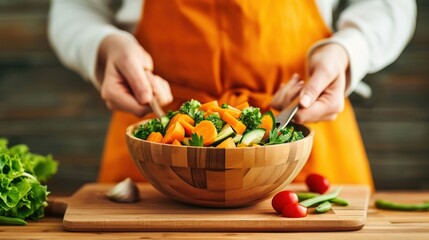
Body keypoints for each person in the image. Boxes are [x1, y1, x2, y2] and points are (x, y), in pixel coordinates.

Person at [48, 0, 416, 188]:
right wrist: (104, 45)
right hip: (161, 135)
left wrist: (349, 48)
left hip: (297, 130)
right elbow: (74, 8)